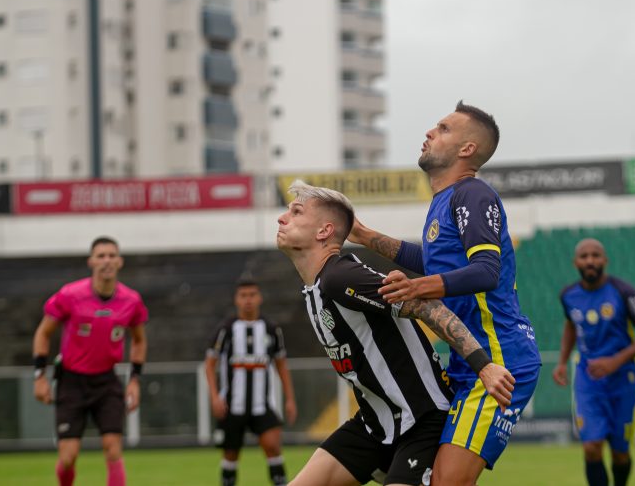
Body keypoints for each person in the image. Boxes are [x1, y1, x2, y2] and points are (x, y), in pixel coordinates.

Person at [348, 101, 541, 485]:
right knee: (411, 467)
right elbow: (435, 261)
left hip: (499, 357)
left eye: (443, 128)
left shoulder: (473, 194)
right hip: (468, 361)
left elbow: (486, 271)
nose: (429, 133)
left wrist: (416, 288)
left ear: (467, 150)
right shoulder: (444, 200)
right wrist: (366, 236)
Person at [277, 180, 515, 486]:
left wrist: (484, 366)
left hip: (422, 421)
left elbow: (427, 307)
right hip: (374, 425)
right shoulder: (315, 287)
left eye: (296, 212)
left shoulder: (340, 277)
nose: (282, 218)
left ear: (324, 231)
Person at [32, 236, 148, 486]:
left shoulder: (131, 301)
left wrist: (135, 380)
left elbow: (138, 340)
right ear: (91, 261)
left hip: (107, 381)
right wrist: (39, 376)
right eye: (101, 256)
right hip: (71, 382)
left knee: (113, 447)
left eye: (111, 256)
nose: (106, 261)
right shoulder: (70, 295)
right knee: (68, 456)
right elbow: (43, 332)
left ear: (120, 262)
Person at [552, 238, 635, 486]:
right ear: (575, 262)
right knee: (591, 447)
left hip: (624, 379)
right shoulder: (568, 296)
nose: (590, 260)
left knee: (620, 454)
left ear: (605, 260)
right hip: (588, 380)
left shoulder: (623, 292)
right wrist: (562, 361)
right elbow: (571, 325)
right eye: (584, 256)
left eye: (595, 255)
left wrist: (615, 361)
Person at [205, 276, 298, 486]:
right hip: (231, 404)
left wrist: (290, 399)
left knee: (273, 447)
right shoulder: (225, 329)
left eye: (252, 295)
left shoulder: (272, 329)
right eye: (243, 295)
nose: (248, 300)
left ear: (260, 298)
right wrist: (214, 397)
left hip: (262, 404)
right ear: (236, 299)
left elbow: (282, 365)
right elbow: (209, 365)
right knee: (230, 456)